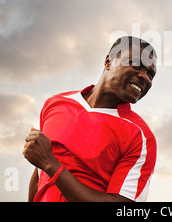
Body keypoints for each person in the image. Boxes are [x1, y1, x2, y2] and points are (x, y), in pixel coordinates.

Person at [23, 36, 157, 202]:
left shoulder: (141, 137)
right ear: (108, 61)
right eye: (136, 64)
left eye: (151, 74)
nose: (145, 77)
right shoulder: (55, 104)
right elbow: (40, 172)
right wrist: (45, 163)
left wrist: (51, 164)